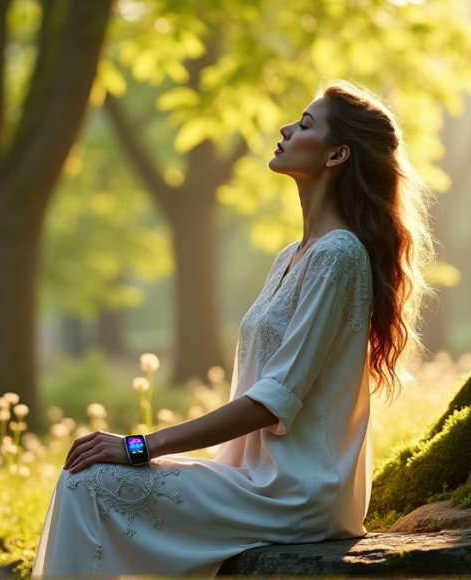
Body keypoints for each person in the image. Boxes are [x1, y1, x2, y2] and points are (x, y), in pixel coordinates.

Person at [30, 79, 436, 578]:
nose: (286, 128)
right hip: (250, 477)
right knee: (85, 474)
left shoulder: (339, 255)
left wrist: (140, 446)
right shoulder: (293, 255)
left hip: (298, 492)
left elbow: (273, 401)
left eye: (306, 124)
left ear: (337, 156)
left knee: (89, 482)